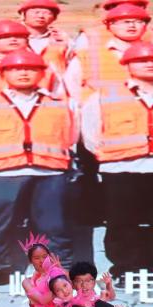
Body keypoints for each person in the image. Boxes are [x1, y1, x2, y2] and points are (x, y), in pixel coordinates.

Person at [0, 49, 75, 286]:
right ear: (3, 73)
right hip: (0, 173)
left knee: (54, 227)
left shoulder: (61, 104)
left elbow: (72, 135)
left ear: (42, 73)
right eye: (15, 69)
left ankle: (57, 270)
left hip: (49, 171)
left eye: (31, 69)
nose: (23, 73)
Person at [81, 41, 153, 276]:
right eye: (141, 60)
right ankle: (126, 268)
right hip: (120, 169)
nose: (149, 64)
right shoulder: (104, 96)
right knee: (121, 221)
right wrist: (110, 154)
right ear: (127, 65)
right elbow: (90, 132)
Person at [65, 3, 150, 98]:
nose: (132, 25)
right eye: (125, 22)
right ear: (110, 25)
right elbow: (72, 85)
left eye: (138, 21)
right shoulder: (87, 54)